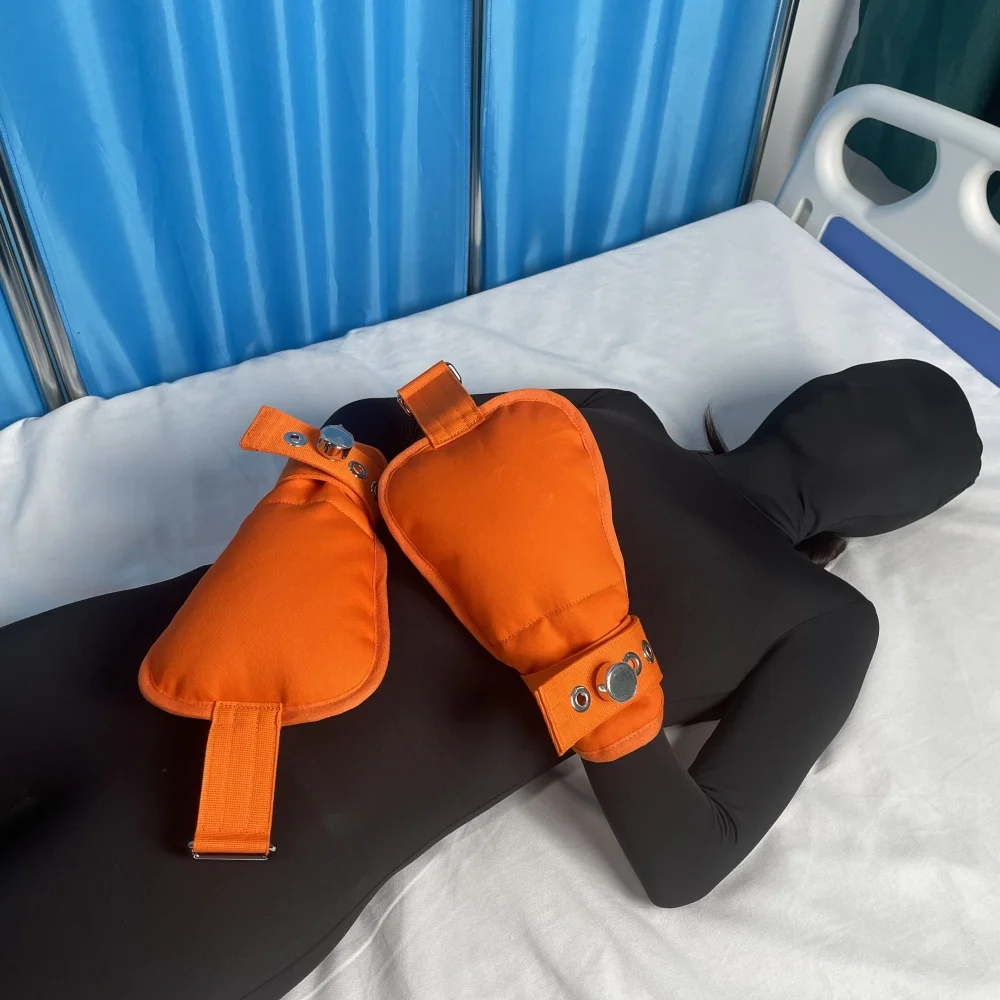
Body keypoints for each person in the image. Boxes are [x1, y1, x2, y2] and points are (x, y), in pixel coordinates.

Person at [0, 359, 981, 1000]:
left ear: (886, 515)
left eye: (907, 438)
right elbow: (377, 421)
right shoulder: (613, 413)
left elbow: (687, 862)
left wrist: (583, 654)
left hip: (226, 842)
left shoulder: (823, 617)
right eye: (870, 390)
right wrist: (331, 486)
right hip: (145, 672)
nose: (873, 421)